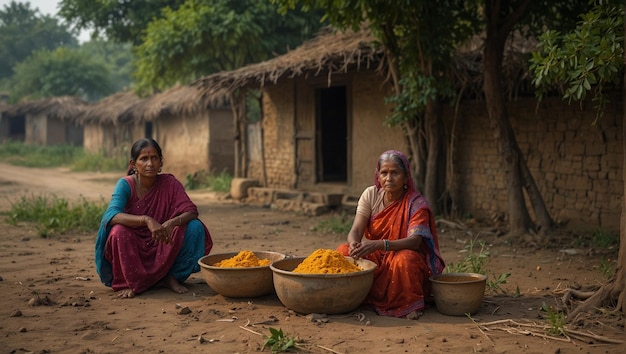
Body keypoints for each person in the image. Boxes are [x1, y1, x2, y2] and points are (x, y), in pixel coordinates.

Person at [95, 138, 213, 298]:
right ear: (133, 164)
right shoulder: (125, 184)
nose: (150, 163)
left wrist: (171, 223)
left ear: (160, 162)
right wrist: (146, 220)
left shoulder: (170, 183)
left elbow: (191, 211)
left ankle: (170, 278)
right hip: (134, 241)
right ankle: (128, 282)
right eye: (144, 159)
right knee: (118, 232)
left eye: (154, 158)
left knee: (194, 227)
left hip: (162, 239)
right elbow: (111, 215)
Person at [337, 150, 445, 319]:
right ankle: (355, 298)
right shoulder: (371, 195)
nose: (389, 178)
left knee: (405, 260)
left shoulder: (415, 203)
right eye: (384, 173)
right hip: (377, 254)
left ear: (405, 177)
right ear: (378, 176)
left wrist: (381, 244)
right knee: (343, 252)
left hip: (402, 252)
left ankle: (408, 304)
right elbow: (356, 230)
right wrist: (354, 244)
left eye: (395, 173)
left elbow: (415, 242)